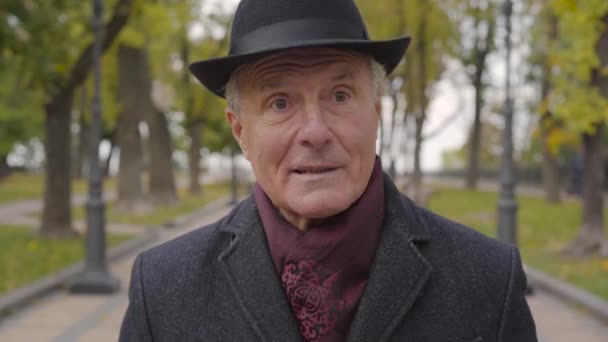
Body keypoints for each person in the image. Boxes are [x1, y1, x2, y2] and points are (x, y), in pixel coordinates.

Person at [119, 0, 537, 341]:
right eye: (279, 103)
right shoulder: (162, 291)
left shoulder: (487, 281)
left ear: (375, 112)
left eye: (339, 95)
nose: (314, 132)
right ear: (241, 131)